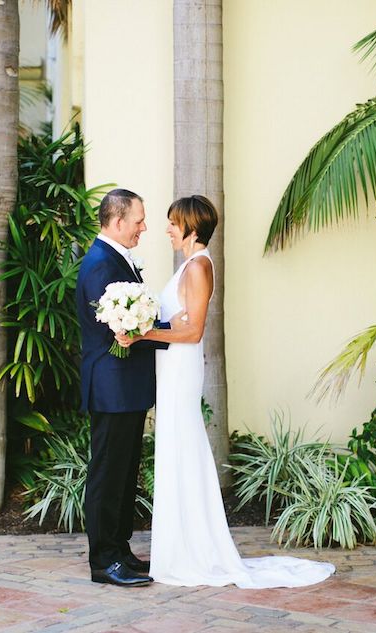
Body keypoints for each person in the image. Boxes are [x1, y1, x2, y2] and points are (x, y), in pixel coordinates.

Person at [117, 195, 335, 588]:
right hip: (171, 369)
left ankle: (192, 550)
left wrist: (141, 332)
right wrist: (159, 322)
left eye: (172, 222)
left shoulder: (199, 266)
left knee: (183, 446)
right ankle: (180, 545)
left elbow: (194, 330)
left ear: (192, 228)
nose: (166, 228)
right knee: (176, 447)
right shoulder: (189, 265)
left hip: (181, 372)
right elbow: (178, 322)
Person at [76, 189, 167, 588]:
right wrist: (174, 333)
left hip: (125, 387)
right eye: (138, 220)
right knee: (107, 474)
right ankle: (103, 561)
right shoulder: (100, 263)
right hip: (111, 387)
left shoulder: (117, 258)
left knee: (125, 472)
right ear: (117, 222)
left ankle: (120, 549)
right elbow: (121, 326)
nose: (143, 227)